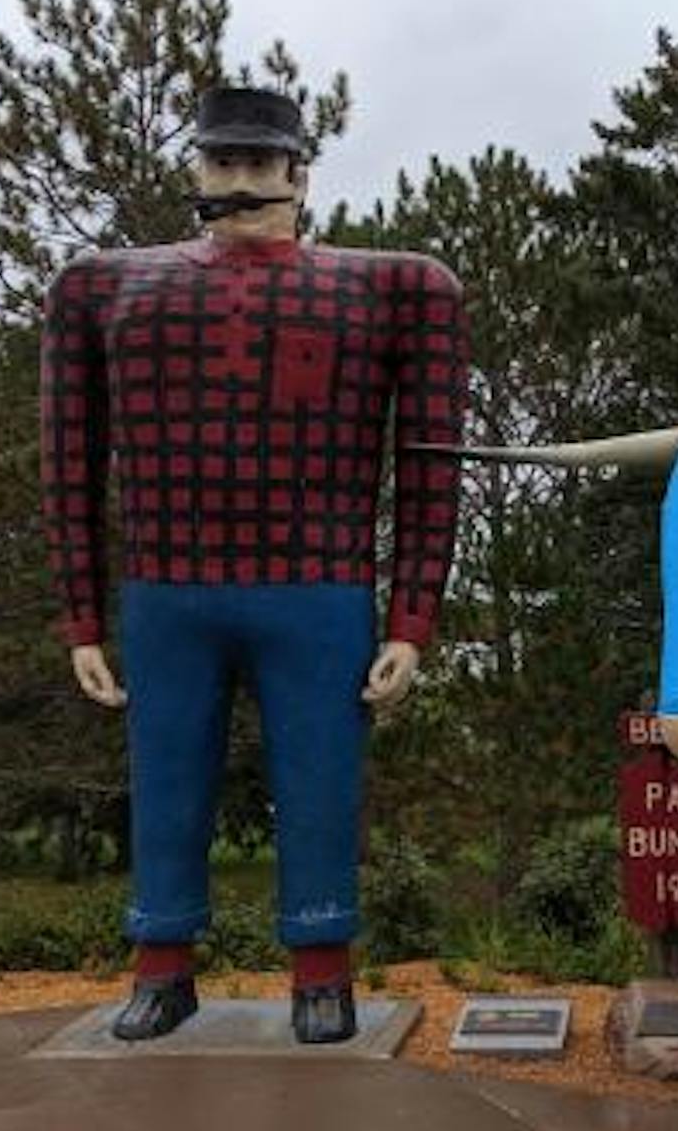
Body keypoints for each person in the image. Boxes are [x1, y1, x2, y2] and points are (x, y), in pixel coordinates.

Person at [39, 85, 468, 1043]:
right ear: (196, 169)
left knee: (321, 779)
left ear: (299, 175)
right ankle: (163, 965)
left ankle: (323, 970)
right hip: (168, 585)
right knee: (166, 777)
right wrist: (82, 617)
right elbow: (70, 459)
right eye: (223, 163)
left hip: (316, 583)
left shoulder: (395, 288)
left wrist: (411, 620)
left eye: (259, 164)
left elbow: (430, 465)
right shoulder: (100, 287)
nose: (240, 180)